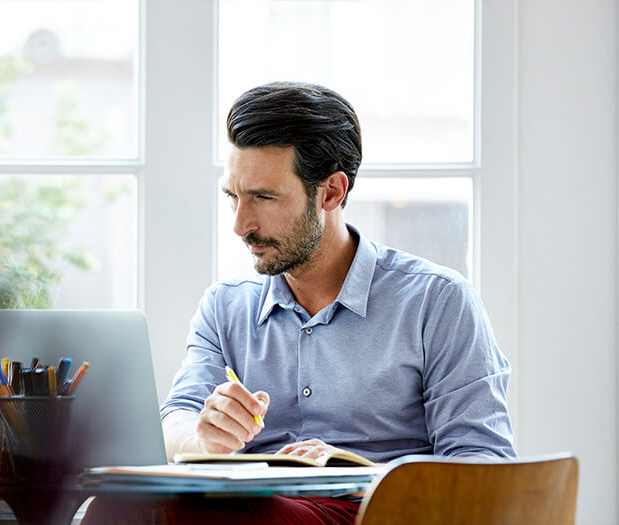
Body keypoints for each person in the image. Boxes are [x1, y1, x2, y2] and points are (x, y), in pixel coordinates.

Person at [83, 81, 515, 524]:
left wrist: (357, 469)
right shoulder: (224, 307)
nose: (240, 225)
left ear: (331, 192)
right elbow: (175, 421)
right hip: (257, 507)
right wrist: (202, 436)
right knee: (116, 506)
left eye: (264, 198)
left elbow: (483, 464)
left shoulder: (436, 300)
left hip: (375, 512)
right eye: (233, 196)